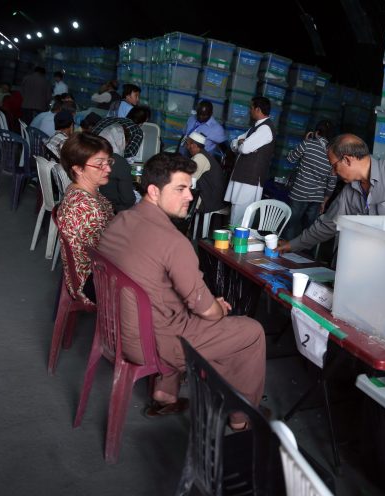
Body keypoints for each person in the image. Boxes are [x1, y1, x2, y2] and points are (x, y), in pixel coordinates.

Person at [97, 152, 265, 422]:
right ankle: (241, 417)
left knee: (173, 308)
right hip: (151, 343)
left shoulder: (120, 220)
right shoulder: (175, 242)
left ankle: (165, 397)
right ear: (153, 191)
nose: (189, 196)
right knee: (250, 332)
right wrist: (217, 309)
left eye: (190, 188)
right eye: (180, 189)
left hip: (113, 328)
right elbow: (206, 311)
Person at [55, 133, 116, 306]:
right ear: (78, 169)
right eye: (99, 165)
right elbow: (107, 256)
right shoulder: (87, 207)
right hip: (91, 282)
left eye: (108, 162)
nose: (108, 169)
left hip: (84, 273)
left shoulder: (76, 190)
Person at [282, 119, 338, 240]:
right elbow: (332, 182)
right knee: (309, 230)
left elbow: (290, 159)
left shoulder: (307, 144)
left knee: (291, 226)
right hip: (317, 198)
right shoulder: (333, 154)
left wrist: (305, 141)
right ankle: (305, 257)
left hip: (299, 193)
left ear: (317, 133)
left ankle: (285, 252)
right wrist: (325, 200)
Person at [223, 96, 275, 227]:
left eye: (251, 108)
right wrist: (241, 143)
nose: (249, 111)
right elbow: (234, 143)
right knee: (236, 212)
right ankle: (233, 243)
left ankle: (236, 244)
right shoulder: (255, 128)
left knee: (241, 215)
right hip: (243, 177)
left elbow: (244, 148)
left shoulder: (265, 129)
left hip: (250, 179)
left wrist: (242, 144)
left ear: (258, 109)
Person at [185, 131, 228, 215]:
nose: (186, 147)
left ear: (194, 145)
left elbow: (189, 180)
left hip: (209, 200)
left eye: (188, 144)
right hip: (211, 197)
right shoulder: (203, 155)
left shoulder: (200, 158)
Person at [97, 124, 137, 212]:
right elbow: (128, 200)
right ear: (121, 141)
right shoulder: (119, 162)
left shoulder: (93, 157)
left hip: (97, 204)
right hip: (115, 211)